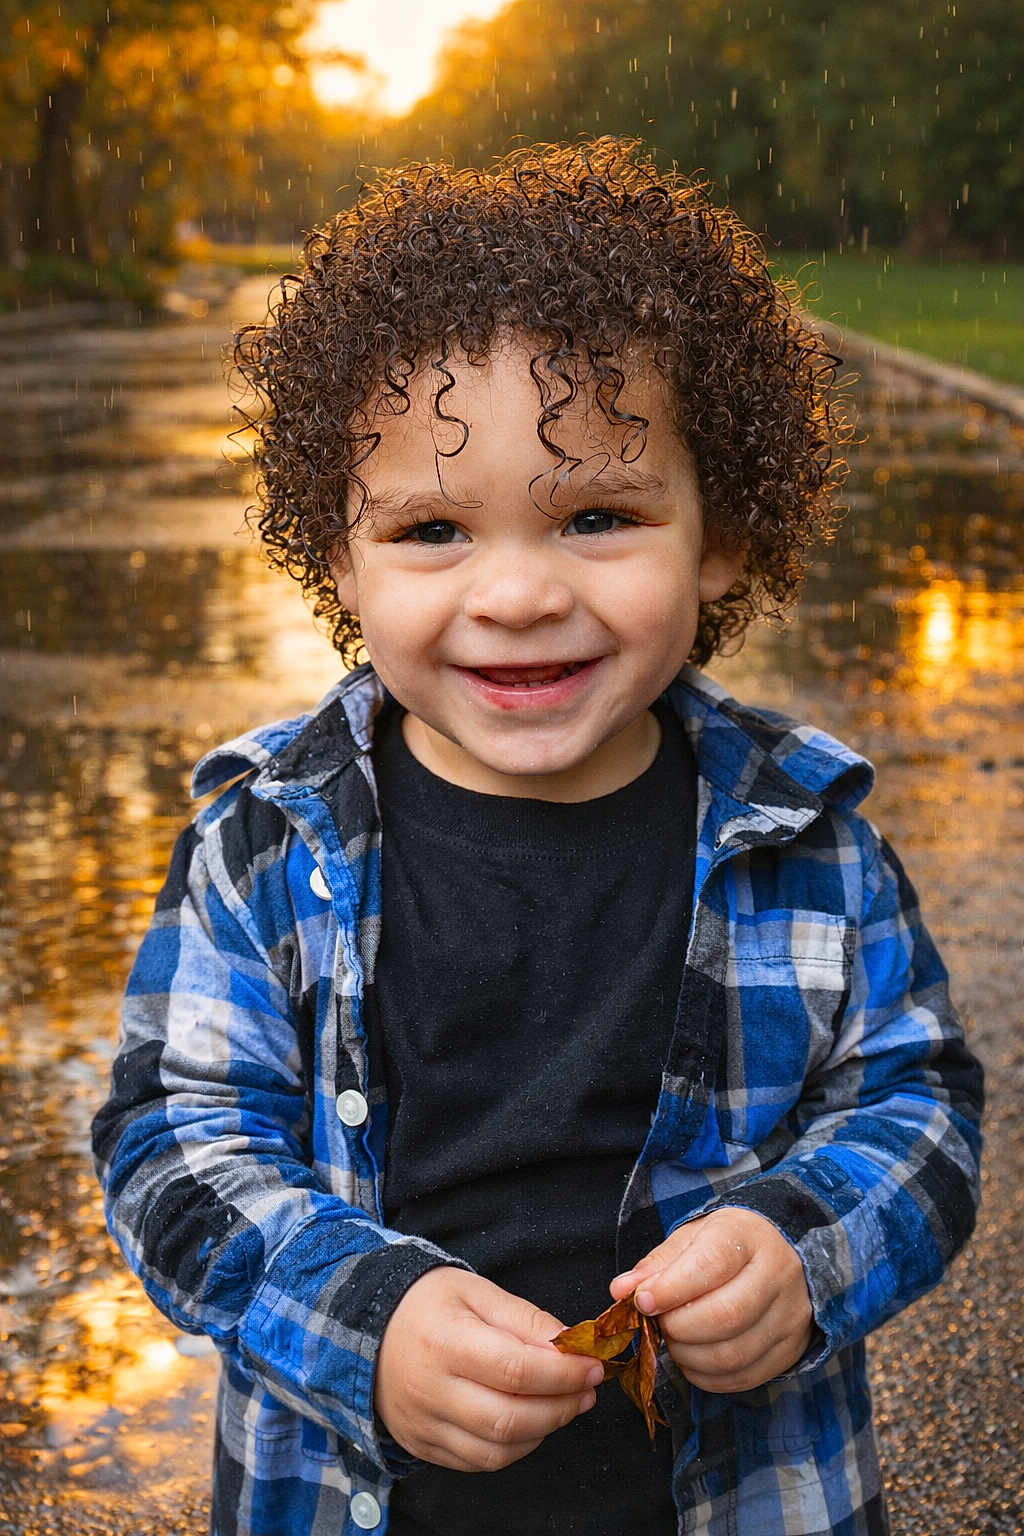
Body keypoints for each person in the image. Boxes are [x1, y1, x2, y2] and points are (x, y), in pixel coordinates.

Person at [91, 138, 984, 1536]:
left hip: (743, 1495)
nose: (514, 593)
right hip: (355, 1491)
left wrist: (806, 1254)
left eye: (599, 516)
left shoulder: (805, 838)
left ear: (725, 537)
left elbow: (920, 1112)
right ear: (340, 558)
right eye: (434, 529)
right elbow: (170, 1140)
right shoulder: (266, 843)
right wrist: (362, 1319)